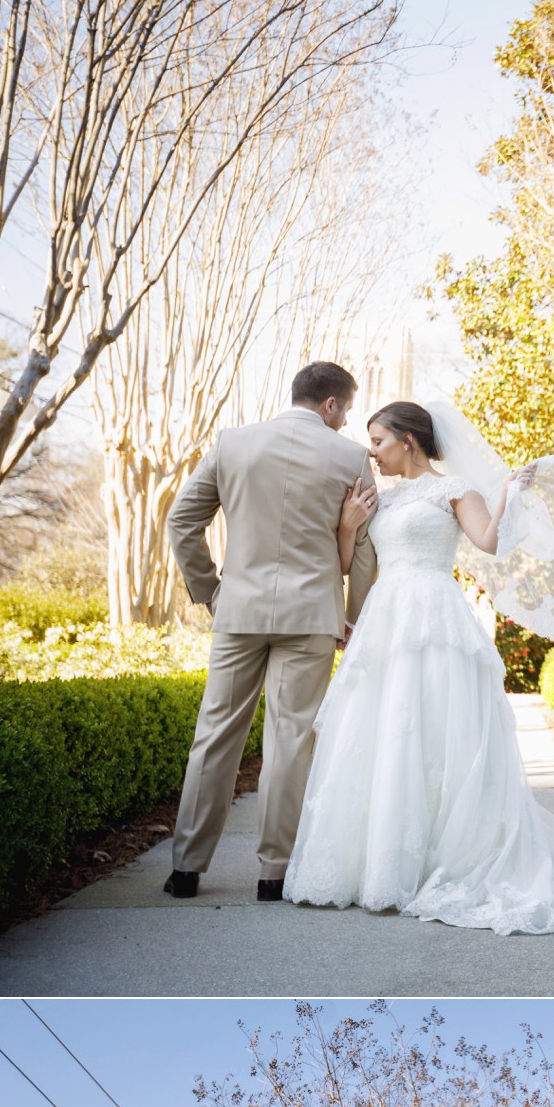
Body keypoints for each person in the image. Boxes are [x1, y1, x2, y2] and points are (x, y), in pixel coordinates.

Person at [282, 398, 554, 934]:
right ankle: (377, 865)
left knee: (437, 734)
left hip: (436, 619)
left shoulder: (455, 491)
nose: (371, 451)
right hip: (386, 620)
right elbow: (349, 566)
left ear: (408, 440)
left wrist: (513, 495)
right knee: (380, 736)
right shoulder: (376, 498)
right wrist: (350, 527)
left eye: (378, 441)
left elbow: (490, 543)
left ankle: (442, 857)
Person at [164, 361, 378, 901]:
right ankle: (273, 874)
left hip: (238, 610)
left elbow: (181, 520)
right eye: (346, 410)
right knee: (290, 739)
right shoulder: (350, 457)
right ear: (331, 404)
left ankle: (186, 869)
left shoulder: (233, 442)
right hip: (311, 618)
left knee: (214, 736)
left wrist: (210, 588)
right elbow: (367, 550)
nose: (345, 420)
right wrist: (353, 616)